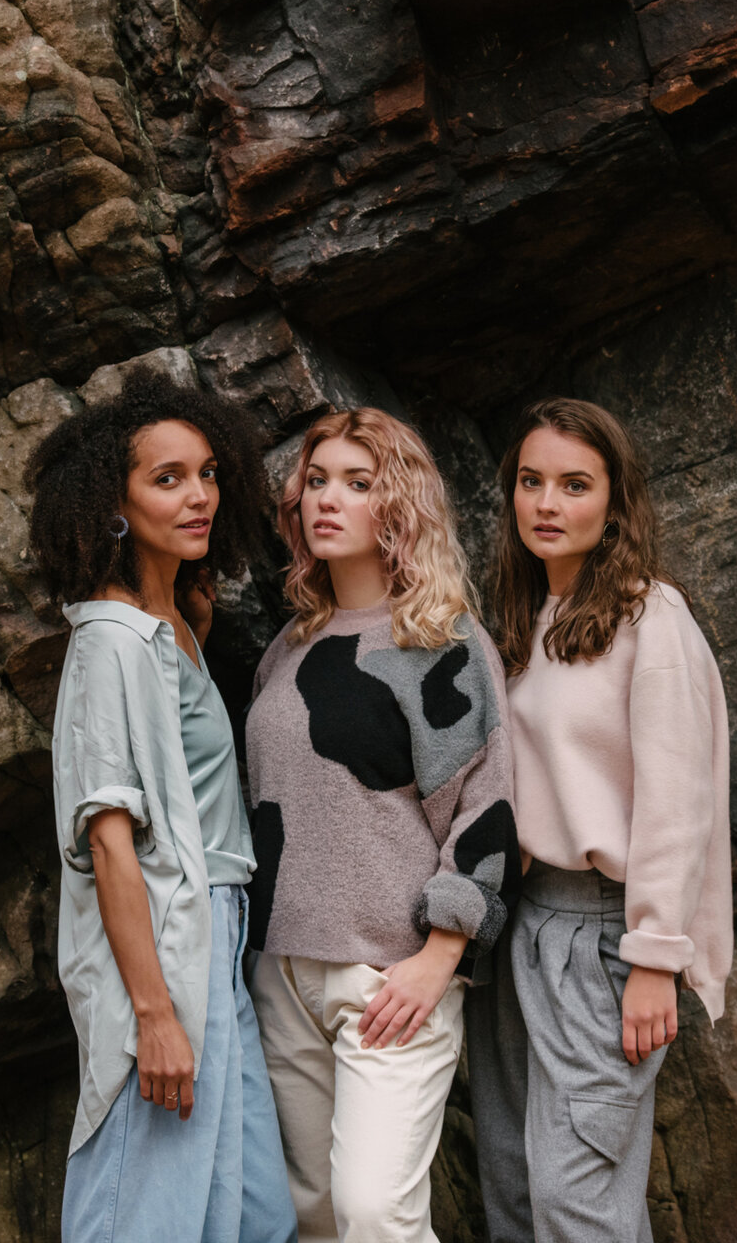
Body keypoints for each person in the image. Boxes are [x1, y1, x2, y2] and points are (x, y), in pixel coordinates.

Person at [31, 371, 297, 1243]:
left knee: (254, 1212)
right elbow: (109, 844)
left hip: (220, 936)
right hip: (166, 944)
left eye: (209, 472)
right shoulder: (110, 643)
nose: (200, 497)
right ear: (113, 500)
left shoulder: (176, 622)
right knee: (144, 1216)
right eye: (168, 478)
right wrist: (153, 1014)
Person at [244, 407, 518, 1243]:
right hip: (283, 971)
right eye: (317, 481)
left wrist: (441, 958)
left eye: (357, 485)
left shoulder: (443, 640)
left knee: (375, 1215)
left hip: (390, 979)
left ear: (396, 506)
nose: (328, 500)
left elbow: (488, 809)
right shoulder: (289, 646)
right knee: (318, 1216)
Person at [467, 397, 731, 1243]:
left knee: (579, 1203)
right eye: (531, 482)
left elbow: (677, 802)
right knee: (511, 1183)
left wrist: (653, 956)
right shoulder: (519, 618)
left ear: (614, 504)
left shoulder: (651, 621)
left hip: (601, 936)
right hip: (517, 930)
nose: (548, 503)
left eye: (574, 485)